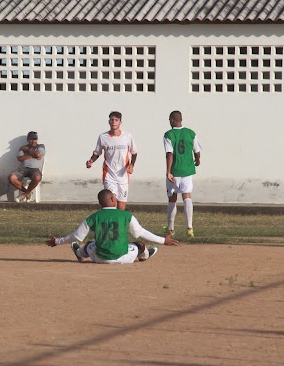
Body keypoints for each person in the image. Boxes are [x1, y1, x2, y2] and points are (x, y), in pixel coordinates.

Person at [46, 189, 178, 264]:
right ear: (112, 200)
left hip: (100, 258)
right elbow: (140, 232)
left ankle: (79, 253)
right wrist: (163, 240)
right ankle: (145, 255)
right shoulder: (125, 215)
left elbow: (76, 236)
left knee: (89, 244)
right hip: (123, 258)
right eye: (114, 197)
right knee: (139, 244)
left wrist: (57, 241)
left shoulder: (93, 217)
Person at [86, 111, 137, 210]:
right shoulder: (103, 137)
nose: (114, 122)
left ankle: (119, 225)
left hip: (123, 176)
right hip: (109, 175)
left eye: (116, 120)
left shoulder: (127, 136)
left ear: (120, 122)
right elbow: (97, 152)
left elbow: (134, 153)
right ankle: (109, 223)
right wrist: (91, 161)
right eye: (112, 120)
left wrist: (132, 165)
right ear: (109, 121)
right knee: (110, 203)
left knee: (121, 206)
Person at [163, 110, 201, 238]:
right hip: (187, 170)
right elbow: (197, 150)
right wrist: (198, 159)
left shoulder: (169, 134)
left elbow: (170, 153)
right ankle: (190, 227)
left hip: (175, 170)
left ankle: (171, 228)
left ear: (172, 120)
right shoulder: (191, 133)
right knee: (187, 196)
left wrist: (168, 171)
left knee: (172, 198)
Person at [9, 131, 45, 203]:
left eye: (35, 139)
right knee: (11, 177)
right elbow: (20, 158)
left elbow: (38, 155)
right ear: (28, 140)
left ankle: (24, 194)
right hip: (23, 168)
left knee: (37, 177)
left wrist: (28, 150)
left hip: (35, 169)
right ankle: (27, 193)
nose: (33, 141)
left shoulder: (41, 146)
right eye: (31, 139)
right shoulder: (23, 147)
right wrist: (32, 155)